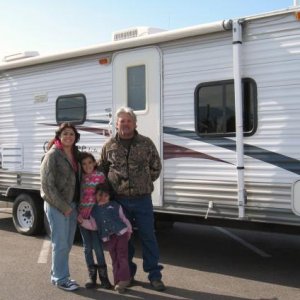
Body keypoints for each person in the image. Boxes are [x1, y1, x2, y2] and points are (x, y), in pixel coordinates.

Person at [98, 106, 165, 291]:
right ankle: (127, 275)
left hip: (142, 199)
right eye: (122, 121)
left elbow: (156, 167)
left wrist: (142, 182)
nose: (125, 124)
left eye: (129, 121)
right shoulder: (109, 146)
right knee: (123, 240)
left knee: (148, 237)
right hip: (119, 201)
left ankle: (154, 275)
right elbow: (102, 169)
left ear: (135, 123)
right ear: (117, 124)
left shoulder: (146, 143)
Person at [40, 122, 81, 291]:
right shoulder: (53, 155)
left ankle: (57, 273)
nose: (68, 137)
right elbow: (47, 187)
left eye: (71, 134)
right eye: (65, 134)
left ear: (76, 137)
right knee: (60, 243)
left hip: (72, 204)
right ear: (59, 136)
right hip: (57, 205)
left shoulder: (75, 154)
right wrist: (64, 207)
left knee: (68, 242)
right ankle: (61, 278)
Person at [79, 182, 132, 294]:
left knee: (122, 257)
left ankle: (124, 280)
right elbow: (93, 225)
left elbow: (124, 219)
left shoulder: (115, 205)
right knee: (114, 259)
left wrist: (129, 230)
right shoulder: (94, 211)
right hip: (109, 238)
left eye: (105, 195)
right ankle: (117, 281)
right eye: (100, 195)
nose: (103, 198)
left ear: (109, 196)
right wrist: (83, 221)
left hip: (121, 234)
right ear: (95, 196)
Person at [77, 152, 112, 289]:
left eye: (90, 162)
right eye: (84, 164)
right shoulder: (80, 178)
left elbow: (105, 196)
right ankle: (92, 277)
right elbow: (76, 197)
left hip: (96, 218)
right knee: (87, 248)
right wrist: (77, 214)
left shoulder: (100, 176)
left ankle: (104, 278)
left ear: (94, 163)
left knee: (97, 247)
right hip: (82, 218)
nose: (87, 166)